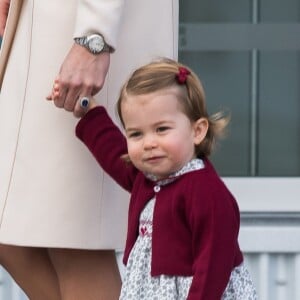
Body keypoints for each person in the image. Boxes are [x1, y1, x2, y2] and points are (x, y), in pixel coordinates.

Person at [0, 0, 178, 299]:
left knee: (72, 239)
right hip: (42, 36)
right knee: (16, 232)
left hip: (78, 36)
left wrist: (94, 36)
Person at [51, 58, 258, 299]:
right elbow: (114, 154)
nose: (149, 143)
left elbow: (214, 263)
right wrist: (89, 113)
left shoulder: (205, 191)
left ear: (197, 130)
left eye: (161, 129)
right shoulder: (149, 178)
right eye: (136, 133)